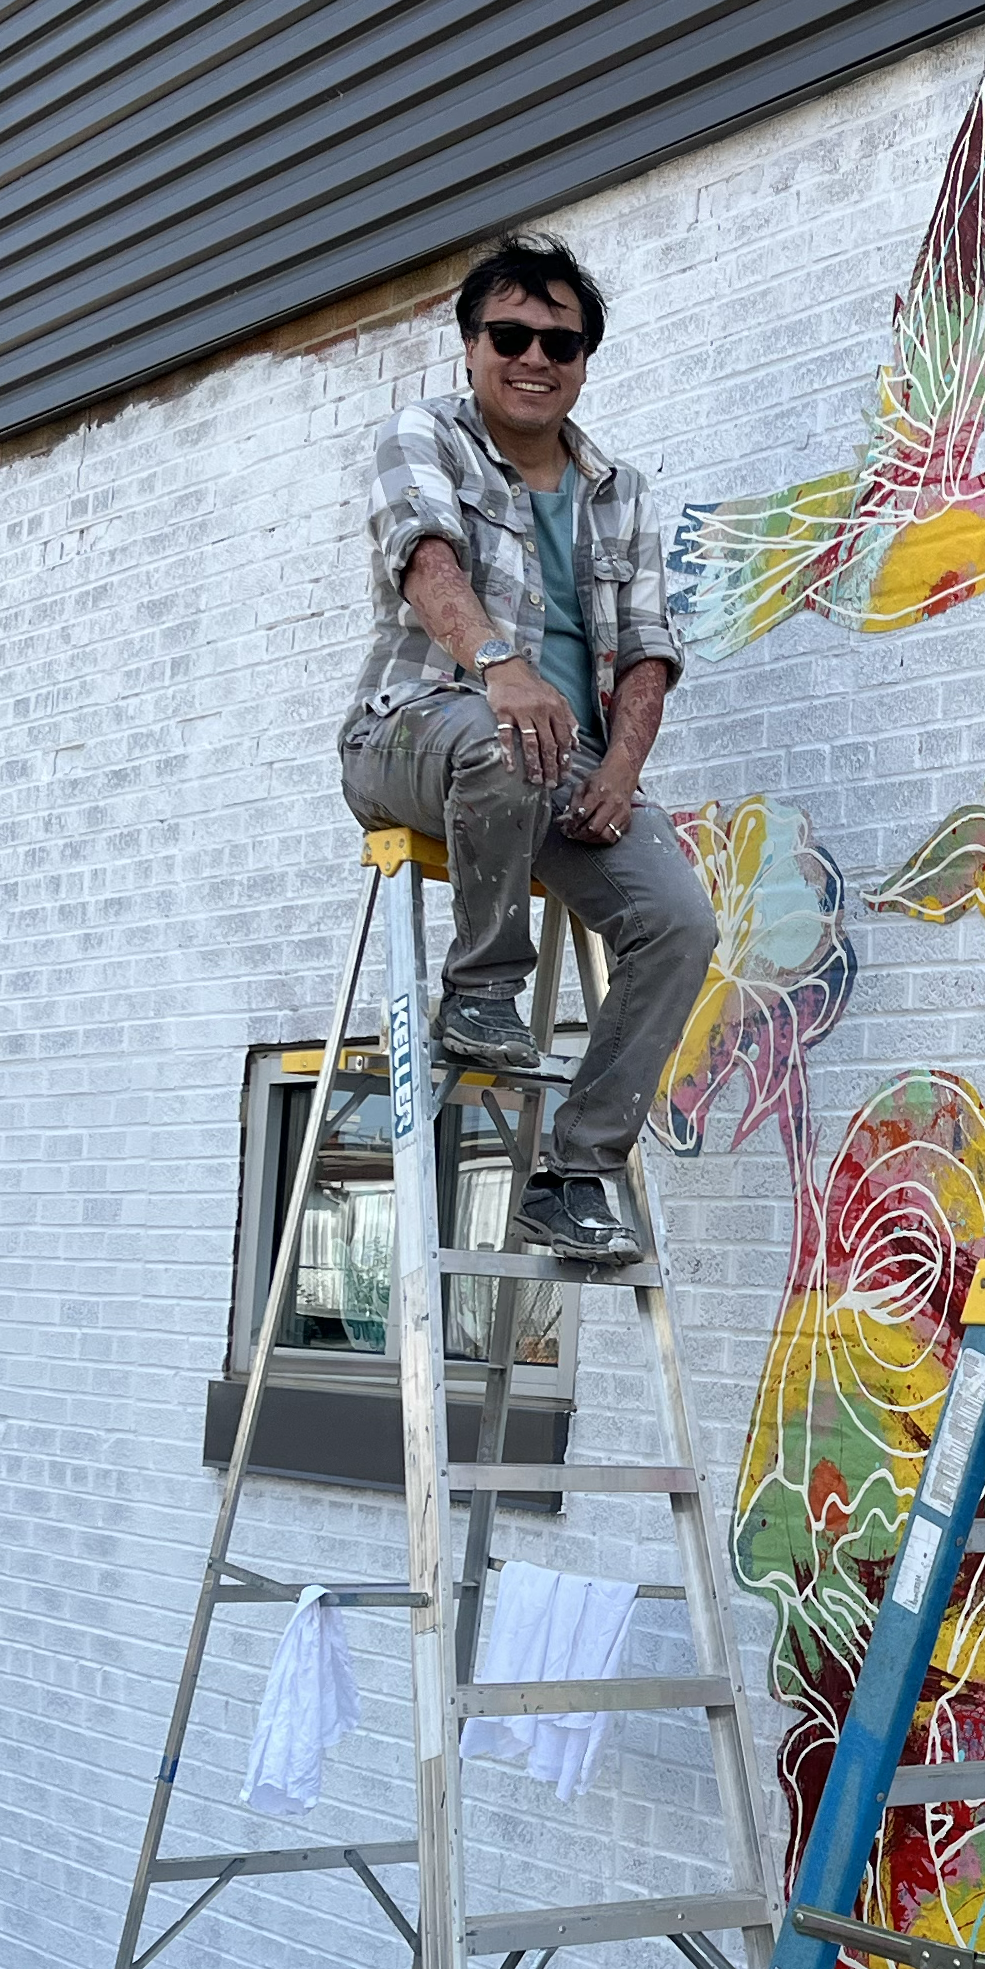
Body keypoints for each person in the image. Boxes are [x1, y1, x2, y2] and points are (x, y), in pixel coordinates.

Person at [338, 231, 717, 1263]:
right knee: (504, 735)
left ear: (586, 359)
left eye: (561, 340)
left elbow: (647, 648)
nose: (534, 357)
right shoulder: (426, 435)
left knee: (679, 920)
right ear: (470, 345)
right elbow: (423, 558)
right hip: (411, 731)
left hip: (558, 770)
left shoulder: (618, 490)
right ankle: (480, 991)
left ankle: (576, 1171)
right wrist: (500, 663)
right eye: (510, 334)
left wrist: (625, 773)